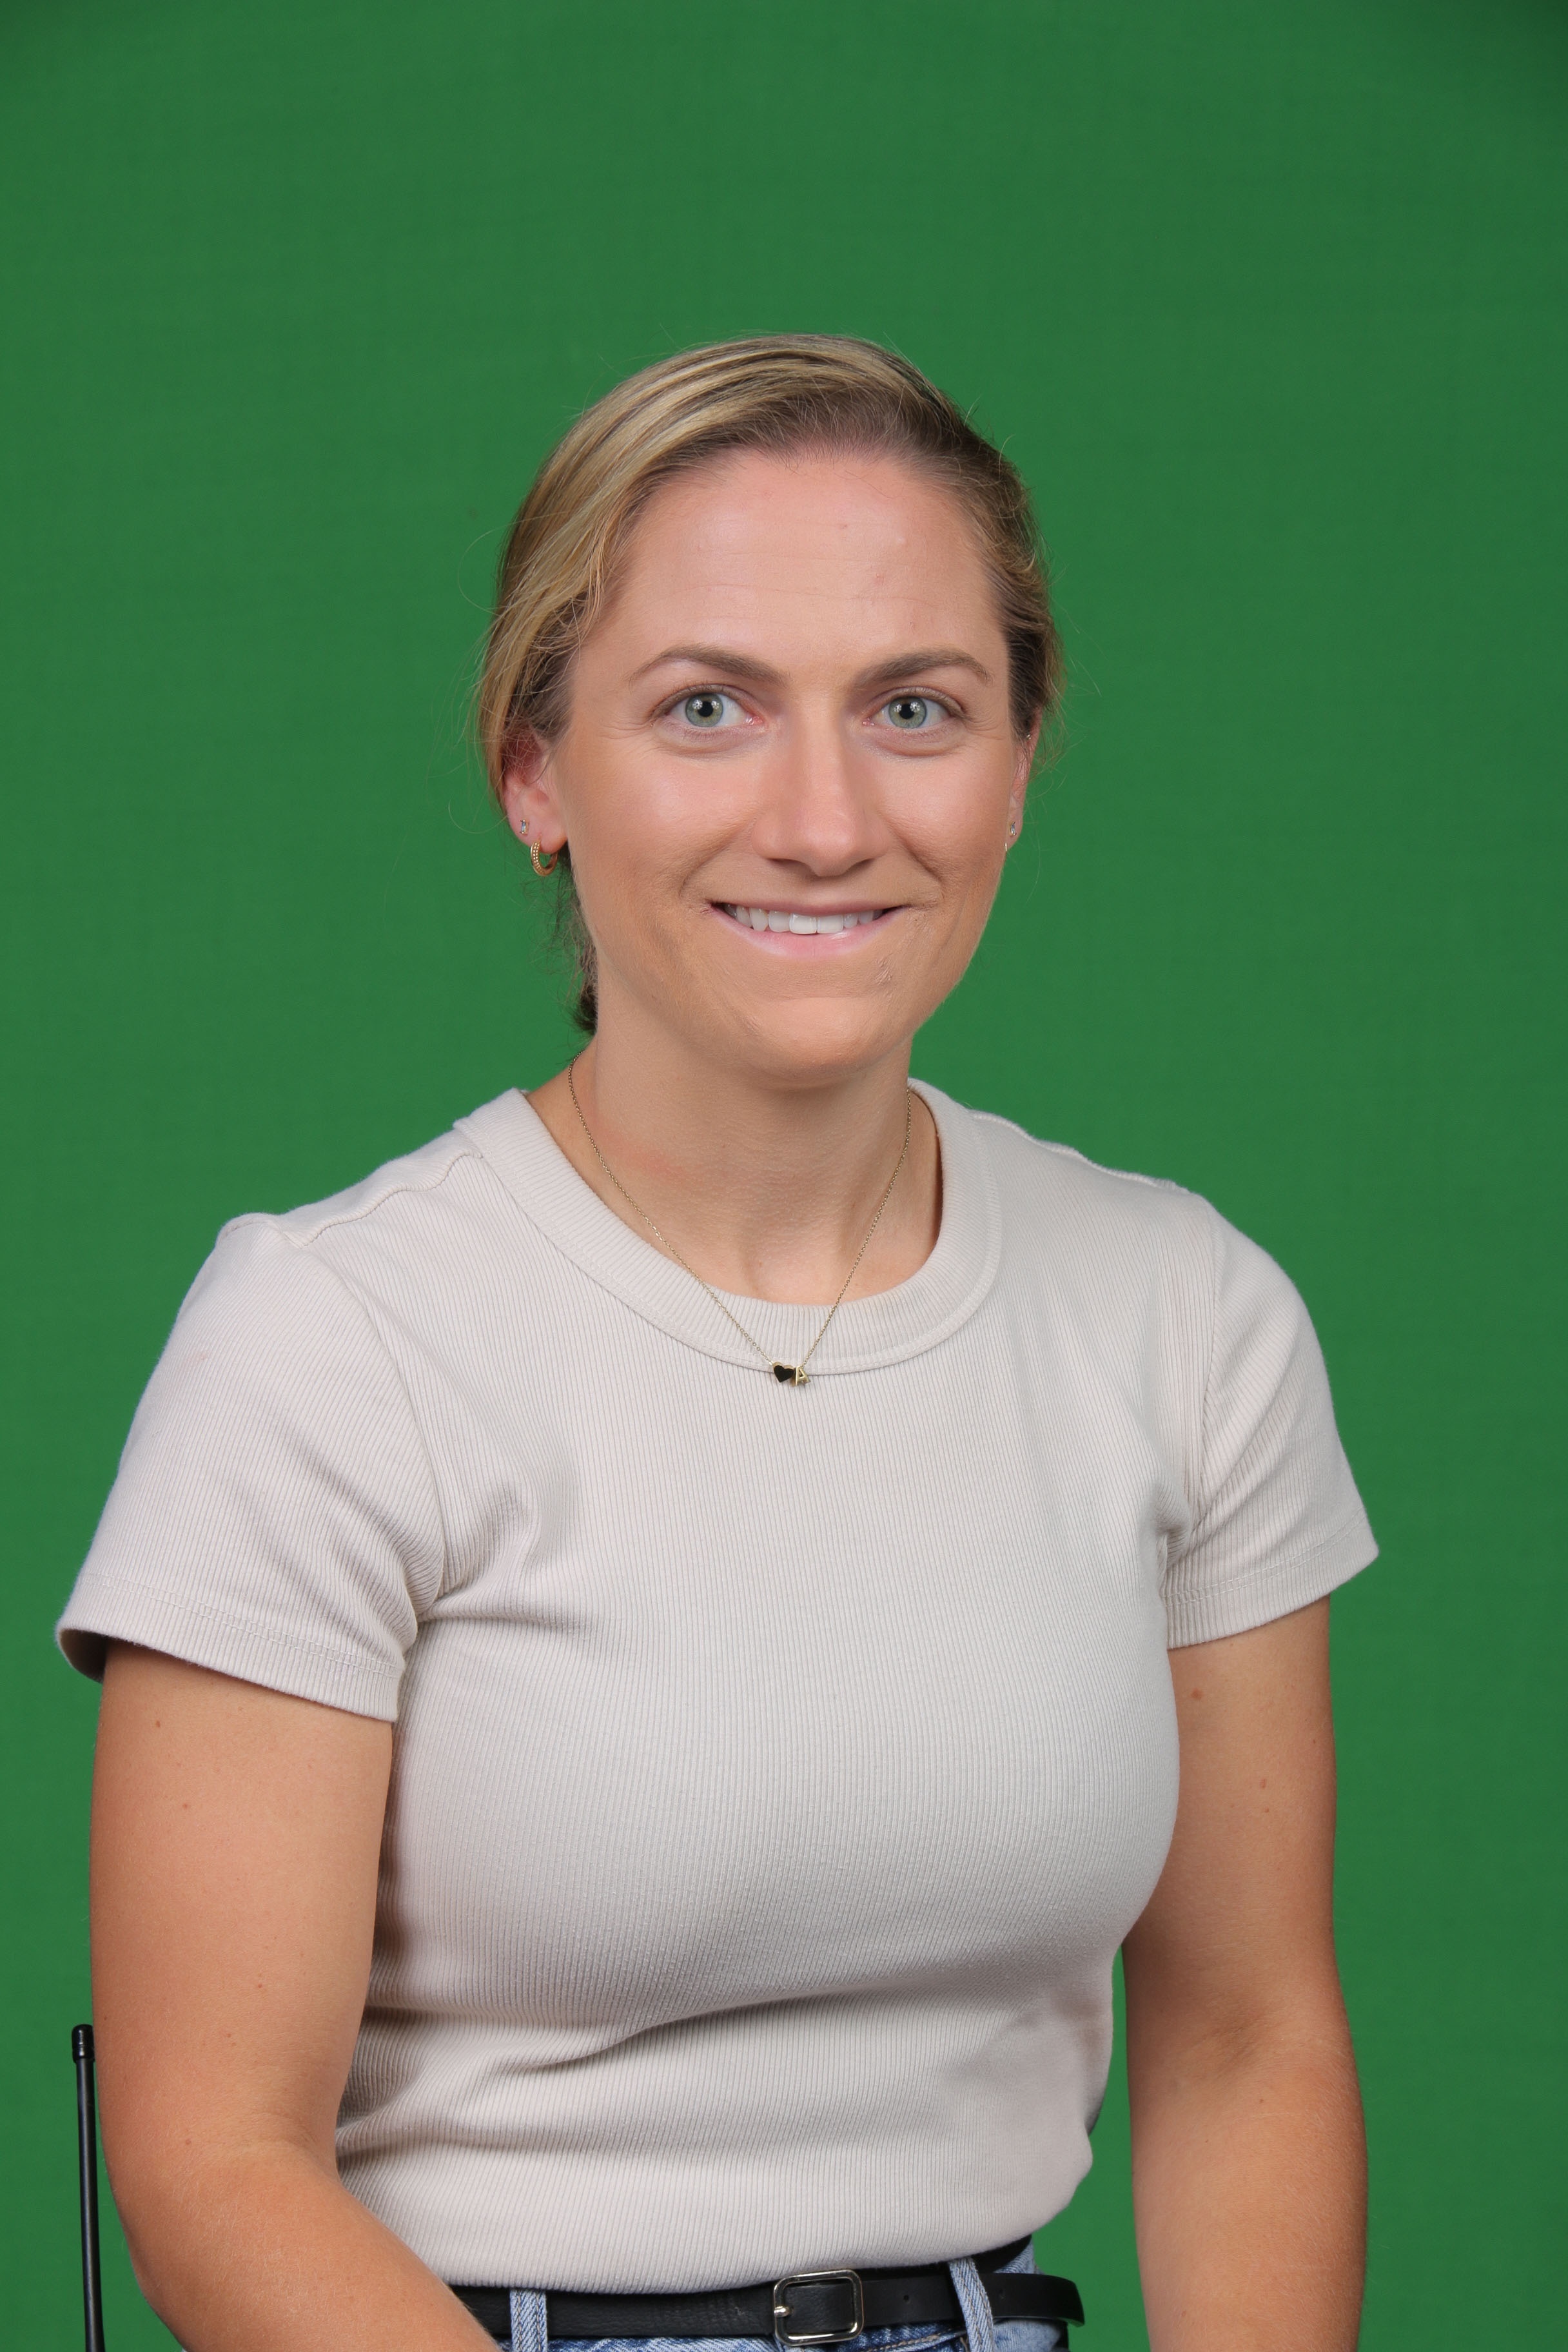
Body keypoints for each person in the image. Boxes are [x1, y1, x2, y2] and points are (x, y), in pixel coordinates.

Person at [59, 335, 1377, 2352]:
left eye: (916, 709)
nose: (826, 820)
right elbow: (213, 2166)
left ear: (1021, 760)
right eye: (707, 708)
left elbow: (1248, 2045)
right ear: (535, 772)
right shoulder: (332, 1340)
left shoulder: (1186, 1313)